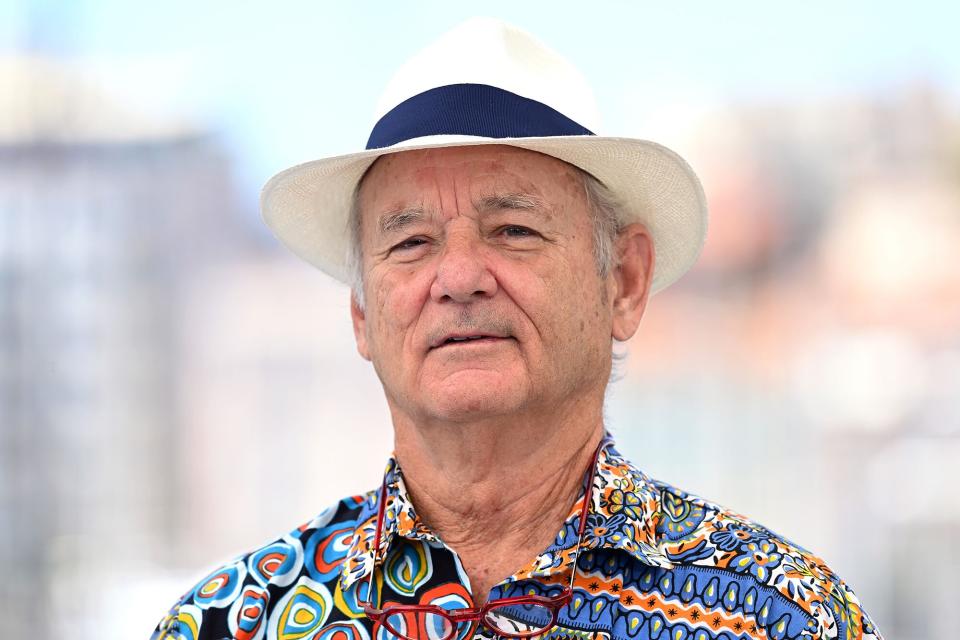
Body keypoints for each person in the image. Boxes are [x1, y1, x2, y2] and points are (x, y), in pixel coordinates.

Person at [152, 18, 883, 640]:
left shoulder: (780, 617)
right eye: (411, 244)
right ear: (363, 315)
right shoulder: (234, 622)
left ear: (623, 282)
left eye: (513, 229)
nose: (460, 276)